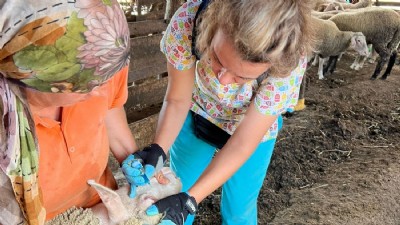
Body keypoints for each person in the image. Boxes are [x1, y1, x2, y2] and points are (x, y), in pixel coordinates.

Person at [121, 0, 314, 224]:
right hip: (198, 113)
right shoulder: (189, 21)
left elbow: (243, 142)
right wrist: (158, 149)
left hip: (250, 131)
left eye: (241, 77)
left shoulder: (288, 62)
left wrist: (191, 201)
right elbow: (177, 99)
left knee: (238, 211)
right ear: (213, 26)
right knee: (174, 194)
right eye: (217, 58)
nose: (222, 81)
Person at [0, 0, 137, 224]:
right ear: (33, 79)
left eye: (106, 78)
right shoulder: (7, 131)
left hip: (102, 199)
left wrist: (136, 163)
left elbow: (109, 110)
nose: (101, 90)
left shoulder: (100, 62)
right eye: (87, 85)